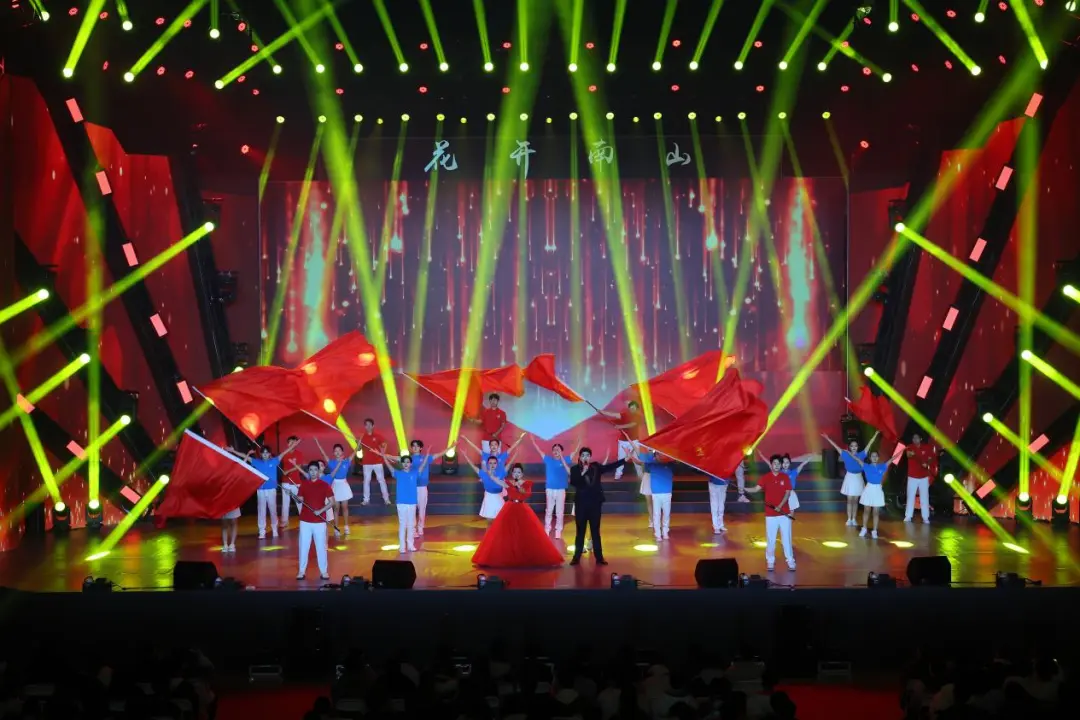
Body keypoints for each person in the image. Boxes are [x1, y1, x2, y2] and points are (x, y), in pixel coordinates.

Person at [472, 463, 564, 567]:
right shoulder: (508, 483)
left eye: (519, 472)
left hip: (522, 508)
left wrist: (519, 486)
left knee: (525, 533)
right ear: (512, 473)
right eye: (515, 472)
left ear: (522, 474)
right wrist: (492, 475)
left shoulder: (527, 483)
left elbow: (527, 494)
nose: (516, 474)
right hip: (509, 508)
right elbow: (499, 481)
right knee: (506, 533)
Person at [558, 447, 624, 566]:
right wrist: (583, 472)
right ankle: (576, 557)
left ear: (590, 457)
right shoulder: (575, 469)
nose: (585, 457)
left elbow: (610, 467)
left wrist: (625, 459)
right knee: (580, 532)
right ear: (579, 457)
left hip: (595, 505)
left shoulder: (596, 467)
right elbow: (574, 482)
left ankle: (599, 557)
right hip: (581, 506)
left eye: (587, 455)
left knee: (595, 532)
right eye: (583, 455)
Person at [384, 439, 453, 537]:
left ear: (421, 448)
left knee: (421, 509)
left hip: (422, 488)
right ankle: (413, 530)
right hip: (411, 488)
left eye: (417, 446)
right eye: (413, 446)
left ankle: (420, 528)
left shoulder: (425, 458)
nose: (415, 447)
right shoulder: (408, 459)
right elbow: (391, 457)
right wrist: (381, 453)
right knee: (412, 510)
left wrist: (451, 447)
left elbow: (440, 454)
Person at [743, 455, 795, 571]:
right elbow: (756, 489)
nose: (776, 466)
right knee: (771, 539)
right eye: (774, 463)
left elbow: (788, 493)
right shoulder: (765, 478)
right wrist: (745, 489)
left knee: (786, 539)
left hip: (784, 513)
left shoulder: (785, 477)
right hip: (770, 515)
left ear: (781, 465)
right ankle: (770, 561)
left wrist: (780, 506)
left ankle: (790, 561)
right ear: (771, 465)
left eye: (778, 464)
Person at [822, 431, 879, 526]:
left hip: (858, 478)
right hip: (849, 478)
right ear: (849, 447)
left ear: (858, 447)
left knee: (855, 500)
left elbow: (870, 444)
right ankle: (849, 519)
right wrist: (827, 438)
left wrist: (875, 434)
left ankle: (854, 519)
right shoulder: (845, 454)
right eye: (852, 446)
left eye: (855, 446)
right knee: (849, 500)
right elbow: (836, 446)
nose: (854, 447)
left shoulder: (861, 454)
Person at [604, 400, 649, 520]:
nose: (632, 409)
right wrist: (602, 412)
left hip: (634, 441)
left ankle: (640, 476)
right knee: (621, 459)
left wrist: (620, 426)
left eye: (634, 407)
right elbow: (614, 415)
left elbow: (632, 425)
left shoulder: (639, 416)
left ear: (637, 408)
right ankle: (618, 475)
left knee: (637, 460)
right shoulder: (624, 414)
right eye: (631, 407)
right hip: (623, 441)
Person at [380, 451, 431, 554]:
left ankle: (410, 545)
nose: (406, 464)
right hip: (401, 502)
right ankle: (402, 546)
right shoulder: (398, 473)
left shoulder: (414, 473)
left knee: (411, 524)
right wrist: (383, 456)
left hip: (412, 502)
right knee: (403, 524)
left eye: (408, 462)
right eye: (404, 462)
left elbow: (423, 465)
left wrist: (427, 455)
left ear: (411, 463)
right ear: (401, 464)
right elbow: (389, 466)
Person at [530, 437, 580, 538]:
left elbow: (575, 452)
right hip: (550, 489)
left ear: (562, 451)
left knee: (559, 511)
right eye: (554, 450)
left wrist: (579, 442)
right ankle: (547, 528)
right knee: (549, 510)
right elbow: (539, 450)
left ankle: (558, 530)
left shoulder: (565, 460)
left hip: (561, 490)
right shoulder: (548, 459)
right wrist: (533, 441)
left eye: (558, 449)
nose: (556, 451)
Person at [293, 460, 335, 580]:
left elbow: (332, 502)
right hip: (305, 521)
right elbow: (299, 500)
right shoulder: (304, 485)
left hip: (319, 522)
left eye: (315, 470)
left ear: (319, 471)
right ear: (308, 471)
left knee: (321, 547)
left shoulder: (324, 485)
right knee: (303, 547)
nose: (313, 472)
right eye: (310, 470)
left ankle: (324, 571)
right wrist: (294, 496)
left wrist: (321, 511)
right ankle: (301, 571)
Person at [856, 446, 904, 538]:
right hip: (869, 489)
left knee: (876, 512)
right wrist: (849, 453)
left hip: (878, 489)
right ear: (870, 458)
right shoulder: (866, 466)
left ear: (878, 458)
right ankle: (864, 528)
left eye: (876, 456)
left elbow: (893, 458)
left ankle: (874, 531)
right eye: (872, 456)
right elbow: (857, 459)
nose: (874, 458)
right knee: (866, 510)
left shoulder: (882, 466)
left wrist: (901, 450)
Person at [633, 450, 674, 542]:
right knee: (656, 514)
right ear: (655, 456)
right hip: (656, 494)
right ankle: (658, 534)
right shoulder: (652, 464)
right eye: (658, 454)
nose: (660, 456)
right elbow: (642, 460)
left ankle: (665, 532)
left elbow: (677, 460)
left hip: (667, 493)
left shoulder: (670, 464)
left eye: (661, 454)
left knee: (666, 514)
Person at [316, 439, 354, 537]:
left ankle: (346, 526)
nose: (337, 452)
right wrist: (318, 443)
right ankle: (336, 528)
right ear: (333, 453)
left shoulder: (347, 461)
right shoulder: (331, 462)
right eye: (335, 451)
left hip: (344, 485)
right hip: (335, 485)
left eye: (339, 450)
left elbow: (355, 452)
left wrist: (359, 443)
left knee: (345, 507)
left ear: (342, 452)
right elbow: (323, 454)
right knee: (336, 508)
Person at [462, 453, 511, 521]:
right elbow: (473, 466)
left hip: (499, 499)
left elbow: (509, 464)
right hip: (488, 499)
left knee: (500, 520)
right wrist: (465, 456)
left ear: (497, 464)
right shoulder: (483, 474)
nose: (492, 465)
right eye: (490, 463)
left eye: (494, 463)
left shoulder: (501, 473)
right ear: (487, 464)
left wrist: (516, 454)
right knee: (489, 521)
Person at [904, 432, 937, 523]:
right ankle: (908, 516)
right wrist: (912, 454)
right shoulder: (910, 447)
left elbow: (931, 458)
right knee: (910, 496)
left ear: (920, 439)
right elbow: (908, 454)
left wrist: (927, 463)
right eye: (913, 438)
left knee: (924, 497)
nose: (915, 439)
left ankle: (925, 517)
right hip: (912, 477)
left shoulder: (927, 447)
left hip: (923, 477)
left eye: (917, 438)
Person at [358, 418, 389, 505]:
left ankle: (386, 499)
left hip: (377, 462)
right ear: (364, 426)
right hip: (366, 463)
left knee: (381, 480)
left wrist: (382, 453)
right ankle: (366, 500)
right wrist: (358, 443)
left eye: (369, 425)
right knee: (366, 481)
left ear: (373, 426)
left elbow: (384, 444)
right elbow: (359, 449)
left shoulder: (378, 436)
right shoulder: (362, 437)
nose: (368, 426)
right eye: (366, 425)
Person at [708, 461, 744, 534]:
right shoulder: (713, 460)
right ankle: (716, 526)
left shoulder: (728, 459)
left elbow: (730, 469)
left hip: (724, 483)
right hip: (714, 483)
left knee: (721, 504)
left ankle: (721, 524)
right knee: (715, 505)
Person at [278, 435, 301, 528]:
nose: (292, 444)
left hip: (296, 481)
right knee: (285, 502)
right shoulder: (284, 454)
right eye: (290, 442)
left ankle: (304, 520)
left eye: (294, 442)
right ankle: (285, 521)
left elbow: (298, 466)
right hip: (285, 481)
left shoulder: (299, 453)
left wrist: (288, 471)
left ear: (296, 443)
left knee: (299, 502)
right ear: (287, 444)